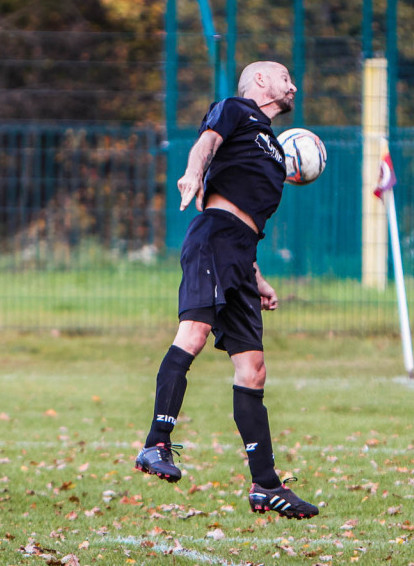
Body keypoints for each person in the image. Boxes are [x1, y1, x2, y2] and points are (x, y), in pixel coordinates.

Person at [135, 61, 318, 519]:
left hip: (240, 252)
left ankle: (265, 485)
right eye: (283, 76)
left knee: (253, 369)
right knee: (193, 334)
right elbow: (206, 145)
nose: (292, 84)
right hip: (213, 236)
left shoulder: (275, 150)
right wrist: (193, 174)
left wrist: (257, 280)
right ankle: (156, 443)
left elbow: (250, 218)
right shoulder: (236, 109)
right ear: (260, 81)